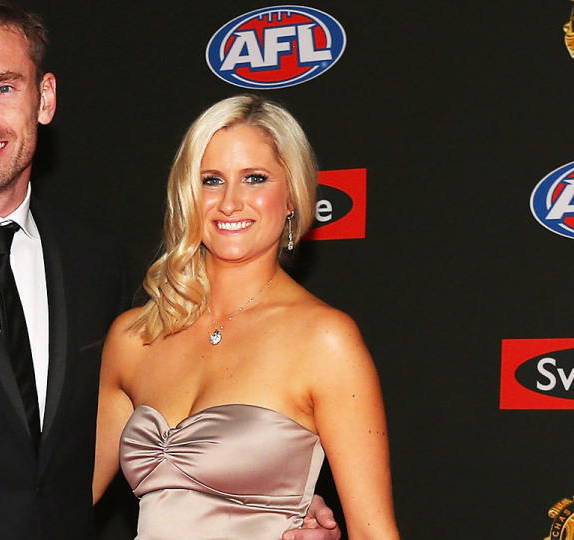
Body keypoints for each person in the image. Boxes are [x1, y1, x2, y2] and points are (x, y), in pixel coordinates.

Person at [0, 1, 340, 538]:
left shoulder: (92, 260)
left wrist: (269, 500)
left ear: (44, 98)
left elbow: (143, 435)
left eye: (3, 87)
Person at [93, 95, 399, 539]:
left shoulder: (324, 339)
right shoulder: (134, 336)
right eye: (211, 180)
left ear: (292, 195)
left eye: (255, 179)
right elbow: (58, 498)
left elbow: (375, 532)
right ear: (187, 194)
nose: (230, 203)